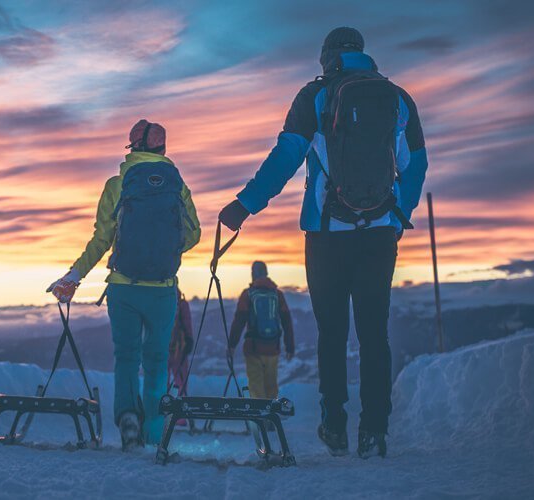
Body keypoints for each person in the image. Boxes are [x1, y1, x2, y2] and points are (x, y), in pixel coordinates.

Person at [217, 27, 429, 459]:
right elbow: (416, 164)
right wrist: (397, 216)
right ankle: (374, 431)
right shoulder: (398, 99)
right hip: (380, 235)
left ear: (327, 57)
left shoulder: (315, 97)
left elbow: (286, 157)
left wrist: (245, 204)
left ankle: (334, 426)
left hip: (326, 235)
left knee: (332, 334)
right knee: (374, 334)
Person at [47, 119, 201, 450]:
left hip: (123, 286)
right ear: (163, 149)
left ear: (131, 149)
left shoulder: (117, 185)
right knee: (158, 360)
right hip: (162, 288)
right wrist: (167, 249)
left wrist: (73, 276)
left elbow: (102, 238)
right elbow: (194, 234)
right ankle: (154, 432)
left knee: (127, 356)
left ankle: (128, 416)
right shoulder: (177, 186)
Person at [227, 261, 294, 402]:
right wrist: (290, 347)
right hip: (273, 348)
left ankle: (260, 422)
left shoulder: (248, 294)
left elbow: (239, 321)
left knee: (256, 388)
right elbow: (287, 321)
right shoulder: (277, 295)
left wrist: (232, 345)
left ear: (253, 274)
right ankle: (270, 419)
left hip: (253, 349)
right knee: (271, 387)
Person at [168, 290, 194, 395]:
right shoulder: (182, 304)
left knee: (161, 378)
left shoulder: (160, 300)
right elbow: (187, 323)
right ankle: (181, 400)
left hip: (163, 346)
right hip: (180, 347)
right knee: (181, 378)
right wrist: (189, 339)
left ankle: (161, 403)